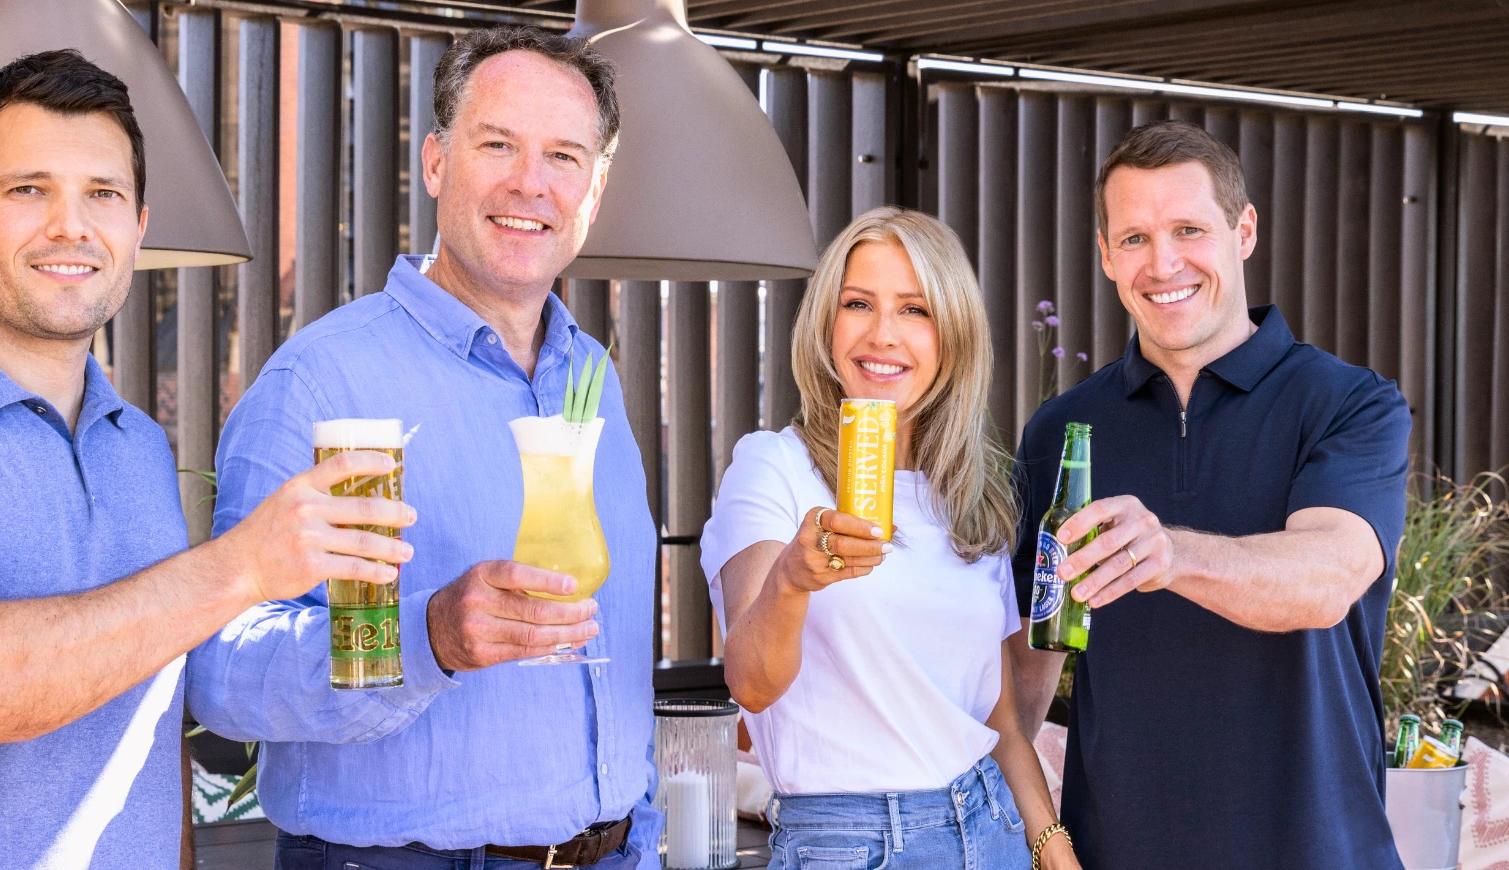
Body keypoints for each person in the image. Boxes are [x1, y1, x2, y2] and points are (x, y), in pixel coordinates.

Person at [0, 51, 414, 868]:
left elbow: (147, 722)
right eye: (28, 190)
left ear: (138, 225)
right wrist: (240, 568)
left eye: (102, 194)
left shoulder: (134, 443)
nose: (71, 225)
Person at [186, 26, 659, 870]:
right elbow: (221, 673)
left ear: (595, 190)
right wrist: (428, 637)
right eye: (499, 145)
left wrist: (640, 821)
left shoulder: (594, 378)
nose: (531, 182)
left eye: (563, 156)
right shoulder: (323, 381)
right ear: (436, 163)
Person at [1006, 120, 1411, 869]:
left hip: (1321, 853)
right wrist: (1042, 833)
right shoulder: (1062, 430)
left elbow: (1327, 577)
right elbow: (1019, 676)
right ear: (1105, 254)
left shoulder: (1349, 404)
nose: (1163, 264)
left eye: (1188, 229)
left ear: (1244, 230)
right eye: (1133, 238)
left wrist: (1168, 555)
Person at [700, 207, 1079, 870]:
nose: (882, 335)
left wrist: (1052, 846)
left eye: (914, 309)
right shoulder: (776, 468)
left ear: (951, 335)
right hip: (850, 844)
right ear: (826, 322)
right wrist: (793, 580)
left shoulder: (968, 500)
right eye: (858, 304)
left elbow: (1001, 727)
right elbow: (751, 683)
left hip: (989, 829)